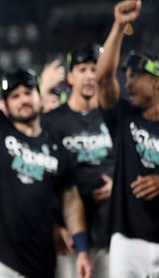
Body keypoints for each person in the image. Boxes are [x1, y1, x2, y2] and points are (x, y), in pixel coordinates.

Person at [0, 0, 92, 278]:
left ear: (38, 96)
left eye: (27, 93)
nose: (22, 100)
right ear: (5, 105)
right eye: (15, 96)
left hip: (40, 264)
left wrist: (82, 247)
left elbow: (70, 200)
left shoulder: (57, 146)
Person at [96, 0, 159, 277]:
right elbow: (104, 79)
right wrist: (120, 25)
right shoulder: (124, 116)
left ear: (157, 81)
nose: (128, 83)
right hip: (126, 239)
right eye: (128, 76)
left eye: (136, 76)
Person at [42, 43, 113, 278]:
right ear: (70, 77)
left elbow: (132, 164)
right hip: (68, 239)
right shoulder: (52, 121)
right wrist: (53, 225)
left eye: (95, 69)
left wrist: (118, 184)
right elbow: (40, 178)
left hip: (111, 235)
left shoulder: (113, 116)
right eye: (83, 69)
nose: (90, 76)